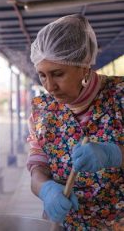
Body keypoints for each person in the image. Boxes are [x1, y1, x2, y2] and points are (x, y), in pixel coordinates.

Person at [26, 14, 123, 230]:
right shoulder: (42, 110)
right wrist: (46, 189)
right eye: (42, 75)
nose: (49, 87)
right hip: (65, 225)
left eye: (58, 74)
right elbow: (37, 167)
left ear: (84, 66)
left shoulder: (119, 96)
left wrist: (115, 155)